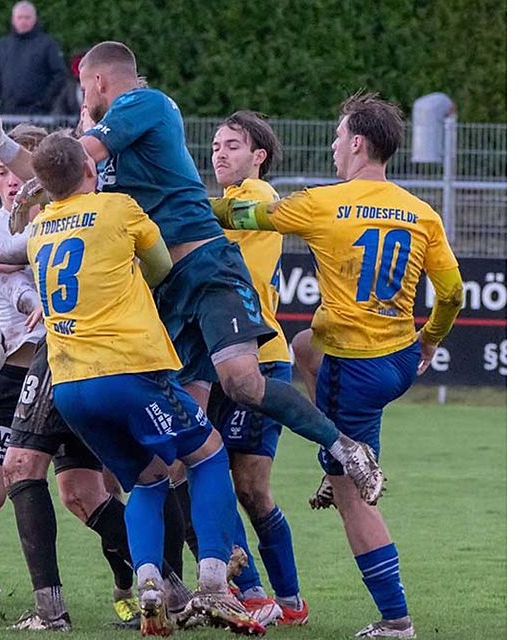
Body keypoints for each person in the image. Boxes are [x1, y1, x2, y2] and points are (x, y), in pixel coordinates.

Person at [0, 41, 386, 510]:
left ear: (98, 81)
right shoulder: (104, 155)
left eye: (84, 89)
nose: (83, 100)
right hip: (164, 288)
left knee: (242, 383)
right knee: (181, 451)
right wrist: (1, 146)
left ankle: (346, 448)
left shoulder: (145, 103)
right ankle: (212, 555)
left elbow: (74, 155)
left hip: (206, 268)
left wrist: (16, 150)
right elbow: (61, 172)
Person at [209, 91, 465, 639]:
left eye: (338, 135)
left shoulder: (322, 203)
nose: (332, 145)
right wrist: (429, 341)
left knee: (355, 501)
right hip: (398, 359)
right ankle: (341, 458)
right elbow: (452, 293)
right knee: (305, 344)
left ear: (358, 143)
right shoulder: (421, 211)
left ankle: (395, 620)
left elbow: (245, 213)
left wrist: (192, 207)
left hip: (355, 366)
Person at [25, 132, 265, 636]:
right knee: (208, 454)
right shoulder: (118, 208)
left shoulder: (39, 229)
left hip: (69, 387)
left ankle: (150, 585)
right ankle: (214, 585)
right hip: (128, 371)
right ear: (89, 170)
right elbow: (160, 266)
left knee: (148, 479)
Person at [0, 124, 147, 630]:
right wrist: (32, 299)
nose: (11, 180)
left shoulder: (70, 219)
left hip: (64, 370)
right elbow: (11, 290)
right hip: (9, 377)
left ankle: (131, 583)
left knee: (84, 495)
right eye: (0, 171)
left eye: (17, 169)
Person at [198, 111, 308, 626]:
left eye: (233, 145)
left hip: (258, 358)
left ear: (258, 157)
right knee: (212, 477)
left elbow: (206, 231)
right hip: (217, 358)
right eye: (216, 145)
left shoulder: (257, 197)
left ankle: (286, 597)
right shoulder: (224, 202)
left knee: (250, 487)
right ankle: (251, 590)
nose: (220, 153)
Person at [0, 2, 67, 115]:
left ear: (35, 19)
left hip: (38, 114)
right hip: (8, 113)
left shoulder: (48, 45)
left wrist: (45, 102)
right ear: (13, 20)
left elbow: (60, 76)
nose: (23, 21)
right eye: (20, 17)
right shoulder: (1, 46)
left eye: (27, 17)